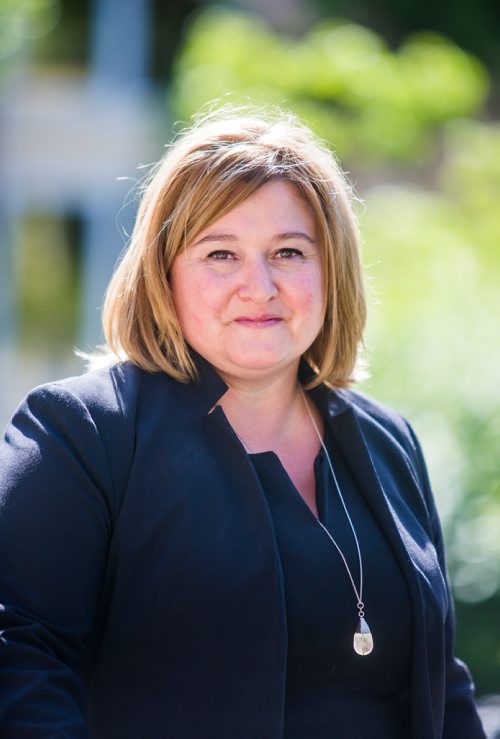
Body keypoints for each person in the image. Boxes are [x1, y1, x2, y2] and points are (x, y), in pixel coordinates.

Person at [0, 109, 485, 739]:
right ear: (164, 273)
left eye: (288, 252)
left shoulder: (388, 442)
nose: (258, 287)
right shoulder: (79, 435)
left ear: (330, 271)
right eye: (220, 254)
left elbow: (441, 687)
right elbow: (19, 660)